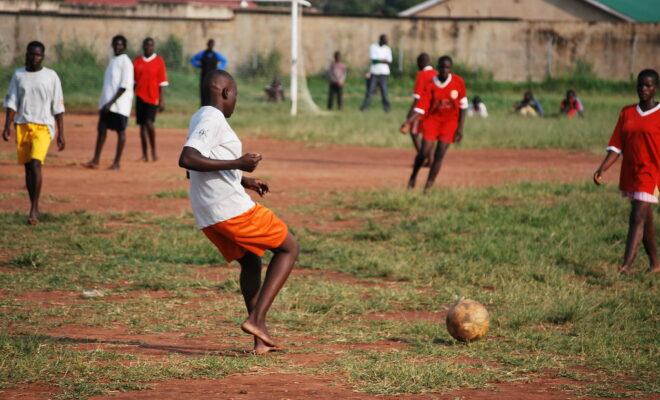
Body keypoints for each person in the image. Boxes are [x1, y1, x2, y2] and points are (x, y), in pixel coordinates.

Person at [178, 70, 300, 353]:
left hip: (209, 215)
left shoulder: (199, 117)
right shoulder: (212, 118)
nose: (235, 102)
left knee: (251, 261)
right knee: (289, 248)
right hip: (229, 210)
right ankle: (256, 319)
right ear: (225, 93)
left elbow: (200, 166)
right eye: (236, 96)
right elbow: (187, 159)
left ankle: (260, 339)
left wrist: (244, 179)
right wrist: (239, 162)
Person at [593, 69, 660, 275]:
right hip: (631, 172)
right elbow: (616, 146)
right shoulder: (627, 113)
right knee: (644, 216)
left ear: (655, 88)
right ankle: (656, 264)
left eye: (648, 85)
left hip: (652, 172)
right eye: (640, 85)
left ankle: (626, 266)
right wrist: (602, 168)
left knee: (637, 215)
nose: (643, 89)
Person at [2, 41, 65, 225]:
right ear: (26, 55)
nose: (34, 58)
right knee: (28, 168)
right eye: (31, 54)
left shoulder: (51, 76)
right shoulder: (18, 75)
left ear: (43, 56)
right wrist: (6, 126)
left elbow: (58, 106)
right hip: (22, 125)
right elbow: (12, 102)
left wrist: (61, 133)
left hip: (44, 126)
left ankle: (33, 209)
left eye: (37, 55)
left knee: (36, 163)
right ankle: (33, 204)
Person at [399, 55, 467, 192]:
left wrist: (460, 129)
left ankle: (428, 187)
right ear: (438, 68)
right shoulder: (431, 84)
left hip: (450, 122)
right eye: (442, 67)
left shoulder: (458, 82)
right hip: (432, 120)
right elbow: (421, 108)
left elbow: (463, 106)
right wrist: (408, 122)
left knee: (439, 153)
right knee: (424, 152)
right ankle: (413, 176)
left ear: (450, 69)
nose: (444, 70)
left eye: (447, 68)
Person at [84, 35, 134, 170]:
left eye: (120, 45)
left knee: (121, 132)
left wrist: (111, 103)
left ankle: (117, 163)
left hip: (119, 106)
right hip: (107, 104)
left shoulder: (126, 62)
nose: (118, 47)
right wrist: (104, 103)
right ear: (112, 45)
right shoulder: (113, 60)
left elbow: (124, 86)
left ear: (124, 47)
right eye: (115, 44)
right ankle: (95, 160)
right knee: (101, 130)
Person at [133, 37, 168, 162]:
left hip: (153, 97)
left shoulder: (159, 61)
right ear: (143, 46)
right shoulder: (137, 61)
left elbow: (162, 83)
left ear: (153, 47)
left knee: (149, 123)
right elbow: (134, 82)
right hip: (140, 97)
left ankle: (154, 151)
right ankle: (145, 154)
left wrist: (162, 100)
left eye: (151, 45)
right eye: (146, 45)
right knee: (141, 126)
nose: (148, 47)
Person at [403, 52, 436, 155]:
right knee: (429, 135)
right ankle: (430, 159)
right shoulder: (437, 73)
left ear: (421, 63)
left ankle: (423, 156)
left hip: (422, 109)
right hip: (435, 108)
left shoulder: (422, 75)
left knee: (414, 132)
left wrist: (410, 114)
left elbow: (417, 97)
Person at [190, 39, 228, 106]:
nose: (210, 45)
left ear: (213, 45)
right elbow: (193, 59)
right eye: (210, 44)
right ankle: (203, 106)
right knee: (203, 93)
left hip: (213, 78)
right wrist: (198, 65)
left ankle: (211, 106)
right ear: (207, 44)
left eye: (212, 44)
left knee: (212, 92)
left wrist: (219, 67)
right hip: (204, 77)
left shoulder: (216, 55)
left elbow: (224, 61)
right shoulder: (202, 54)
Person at [360, 34, 392, 112]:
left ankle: (387, 108)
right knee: (370, 91)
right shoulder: (373, 47)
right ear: (381, 39)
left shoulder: (388, 49)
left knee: (384, 92)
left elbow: (389, 61)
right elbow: (374, 61)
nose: (387, 41)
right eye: (386, 39)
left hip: (384, 73)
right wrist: (383, 60)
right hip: (374, 72)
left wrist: (380, 60)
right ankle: (364, 108)